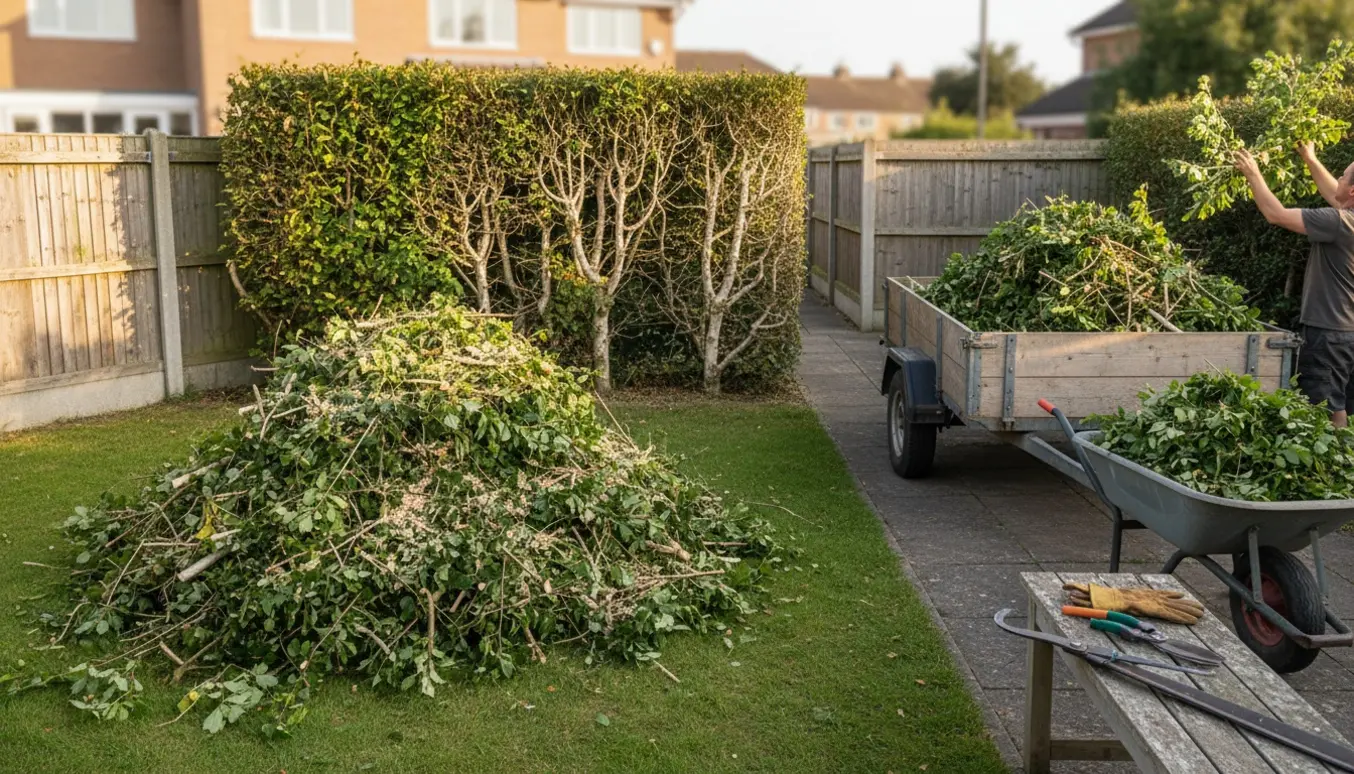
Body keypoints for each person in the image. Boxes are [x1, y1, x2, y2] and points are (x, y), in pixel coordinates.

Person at [1235, 144, 1354, 426]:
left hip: (1330, 332)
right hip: (1349, 331)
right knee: (1344, 404)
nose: (1337, 178)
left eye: (1342, 175)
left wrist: (1253, 174)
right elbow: (1337, 196)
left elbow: (1276, 214)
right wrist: (1310, 159)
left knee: (1326, 407)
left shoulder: (1337, 223)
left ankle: (1336, 454)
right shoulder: (1346, 219)